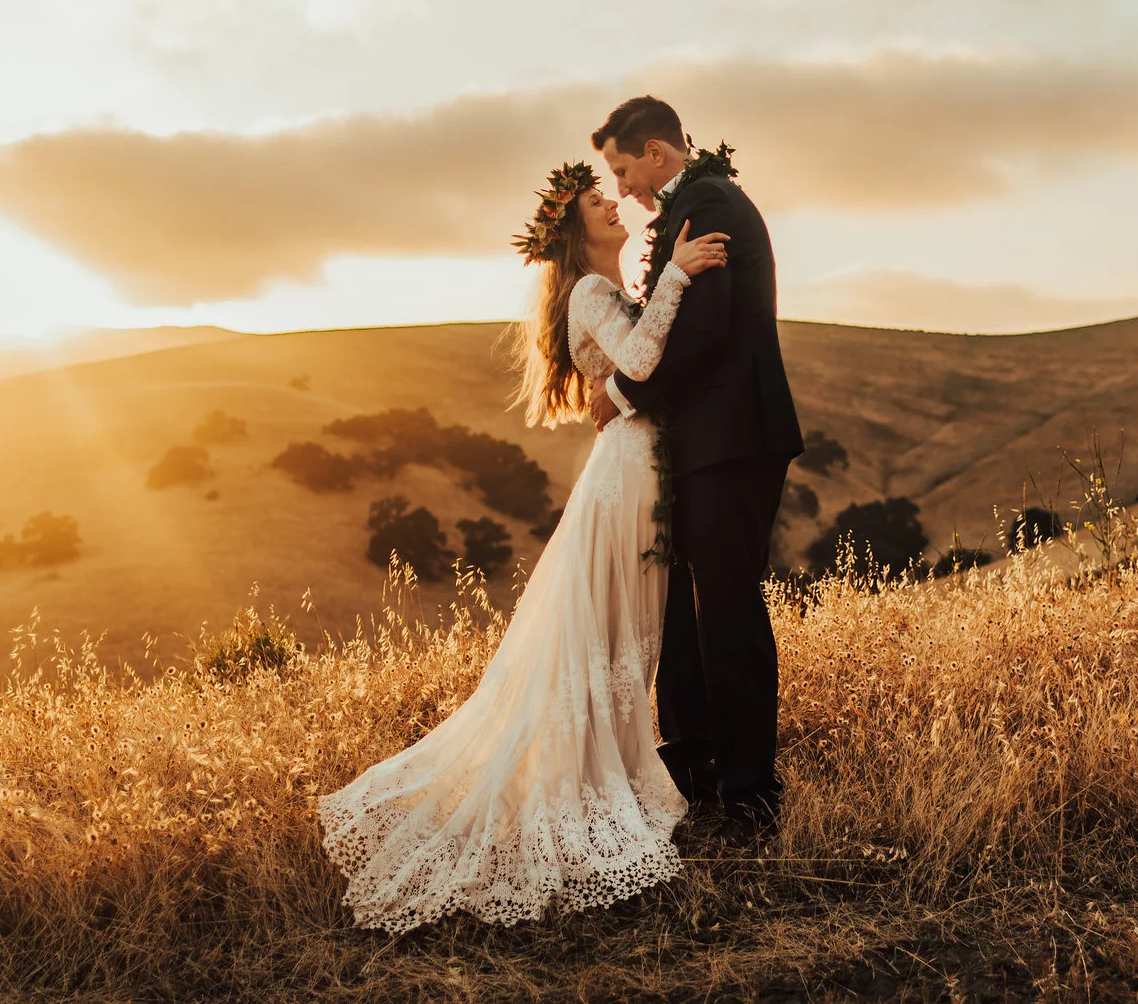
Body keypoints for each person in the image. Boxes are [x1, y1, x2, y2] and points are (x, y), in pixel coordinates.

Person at [317, 161, 731, 931]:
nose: (613, 204)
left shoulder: (607, 292)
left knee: (623, 636)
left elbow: (635, 369)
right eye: (597, 203)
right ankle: (600, 775)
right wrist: (676, 272)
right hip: (630, 473)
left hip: (640, 466)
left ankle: (627, 761)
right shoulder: (589, 292)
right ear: (575, 233)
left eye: (611, 195)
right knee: (616, 635)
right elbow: (640, 364)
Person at [589, 95, 803, 832]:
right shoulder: (700, 199)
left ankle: (751, 792)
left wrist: (622, 389)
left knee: (728, 608)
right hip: (706, 440)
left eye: (623, 169)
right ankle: (695, 766)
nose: (621, 190)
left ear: (656, 152)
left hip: (733, 436)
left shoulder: (706, 197)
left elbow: (705, 328)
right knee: (690, 607)